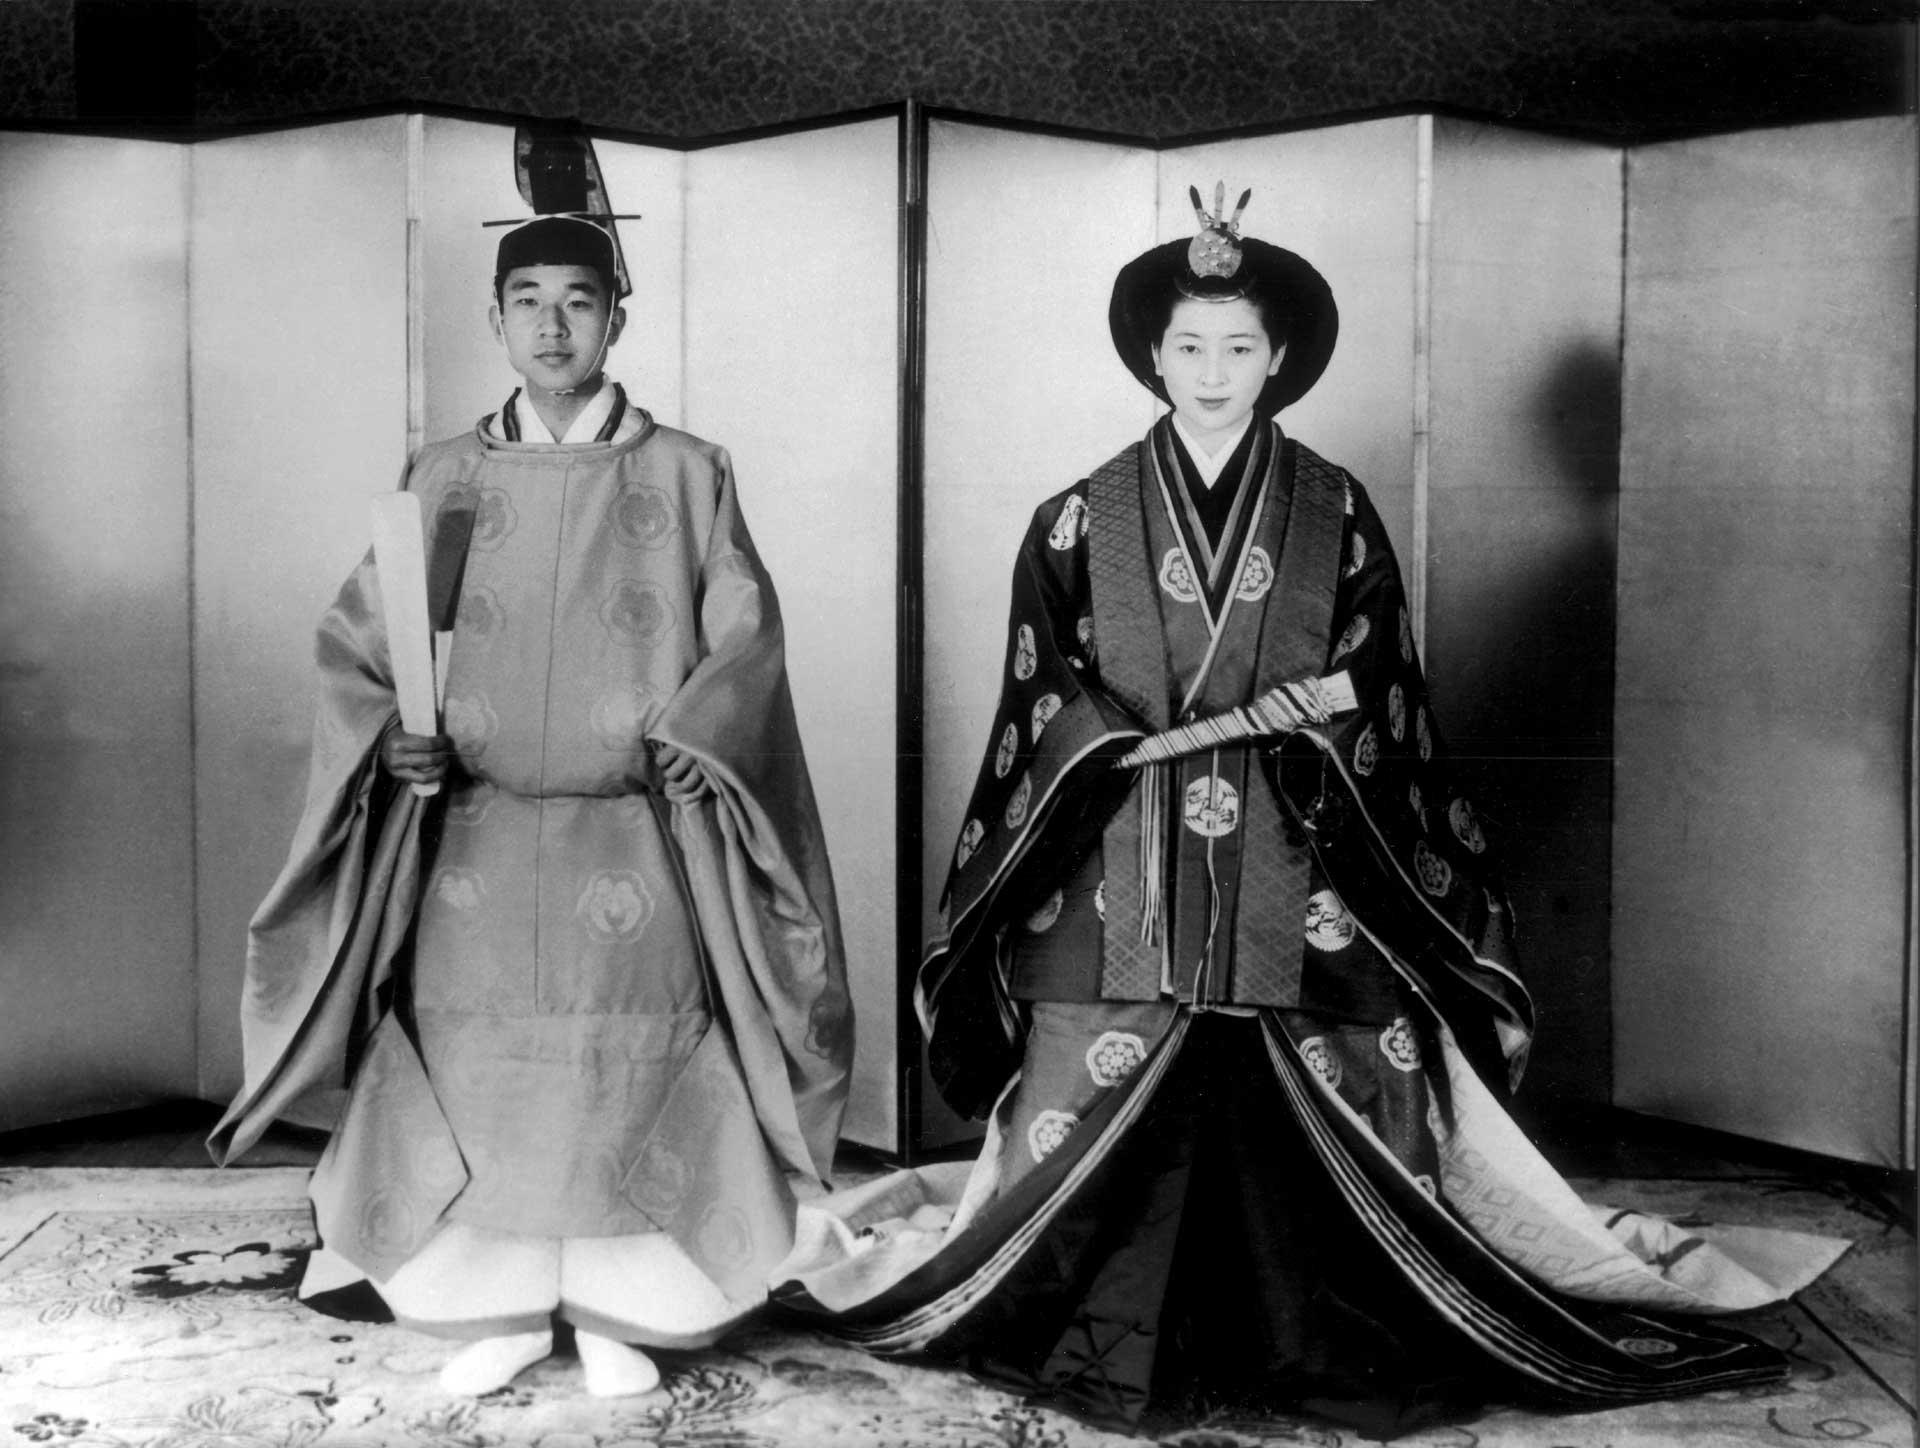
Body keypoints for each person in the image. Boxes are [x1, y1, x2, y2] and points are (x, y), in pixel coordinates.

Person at [773, 189, 1844, 1437]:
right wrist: (1108, 738)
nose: (1213, 371)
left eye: (1239, 347)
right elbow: (1035, 695)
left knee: (1343, 1057)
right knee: (1097, 1066)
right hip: (1130, 851)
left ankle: (1310, 1329)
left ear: (1278, 358)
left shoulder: (1334, 510)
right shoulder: (1076, 516)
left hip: (1299, 839)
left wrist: (1317, 725)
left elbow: (1381, 684)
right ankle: (1106, 1324)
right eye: (1188, 345)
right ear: (1151, 356)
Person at [208, 210, 853, 1400]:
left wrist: (699, 739)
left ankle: (626, 1307)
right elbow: (372, 639)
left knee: (635, 1061)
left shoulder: (685, 470)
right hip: (478, 830)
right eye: (528, 301)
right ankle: (489, 1303)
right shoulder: (448, 473)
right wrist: (397, 734)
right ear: (493, 319)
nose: (552, 325)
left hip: (635, 833)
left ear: (619, 316)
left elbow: (745, 639)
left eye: (579, 300)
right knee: (472, 1059)